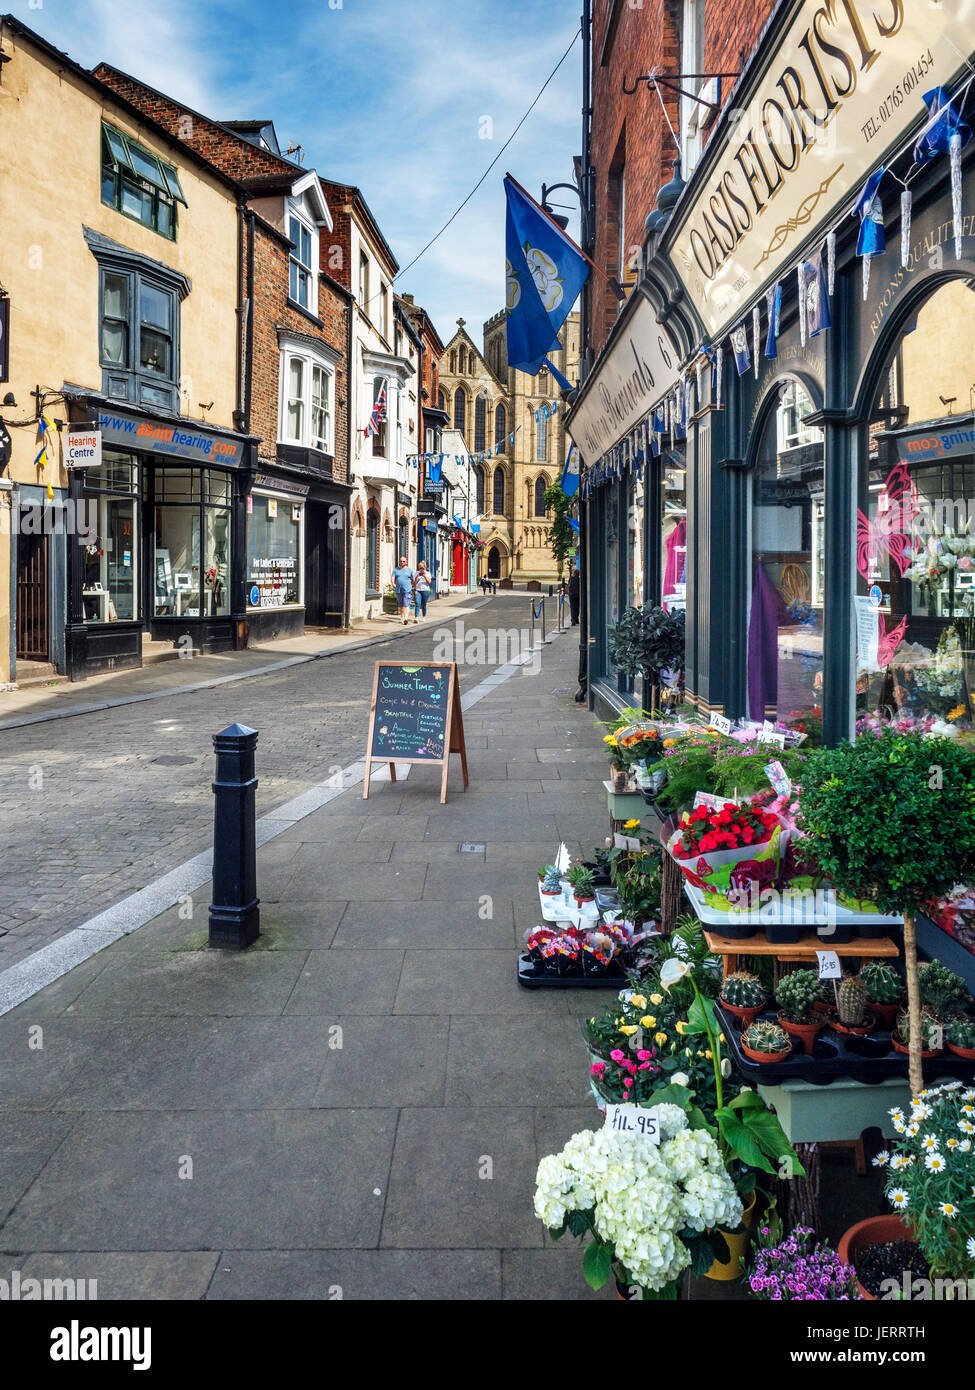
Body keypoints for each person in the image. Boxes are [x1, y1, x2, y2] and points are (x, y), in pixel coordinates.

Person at [391, 555, 415, 625]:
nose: (402, 562)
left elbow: (413, 579)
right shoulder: (395, 570)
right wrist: (393, 584)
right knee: (400, 605)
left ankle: (406, 618)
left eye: (403, 561)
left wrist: (413, 587)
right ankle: (402, 617)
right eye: (400, 561)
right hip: (398, 590)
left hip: (407, 590)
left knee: (406, 604)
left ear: (406, 562)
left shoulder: (409, 570)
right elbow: (392, 578)